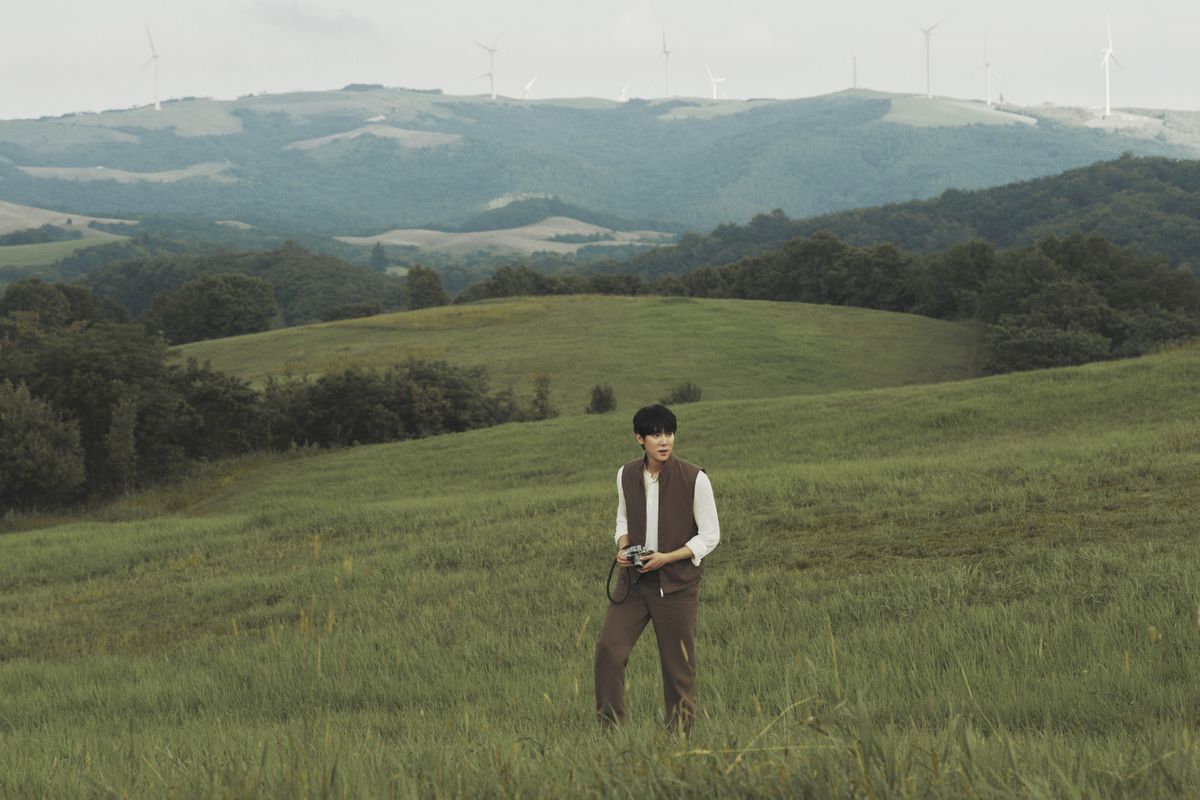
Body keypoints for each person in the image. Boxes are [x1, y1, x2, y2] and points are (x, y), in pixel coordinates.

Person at [594, 404, 720, 732]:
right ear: (640, 438)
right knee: (608, 651)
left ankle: (678, 737)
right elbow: (623, 518)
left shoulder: (696, 478)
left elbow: (710, 535)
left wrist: (669, 557)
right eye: (655, 434)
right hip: (633, 584)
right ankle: (610, 732)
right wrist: (623, 547)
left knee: (678, 667)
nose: (664, 441)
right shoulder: (625, 475)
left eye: (669, 433)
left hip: (676, 586)